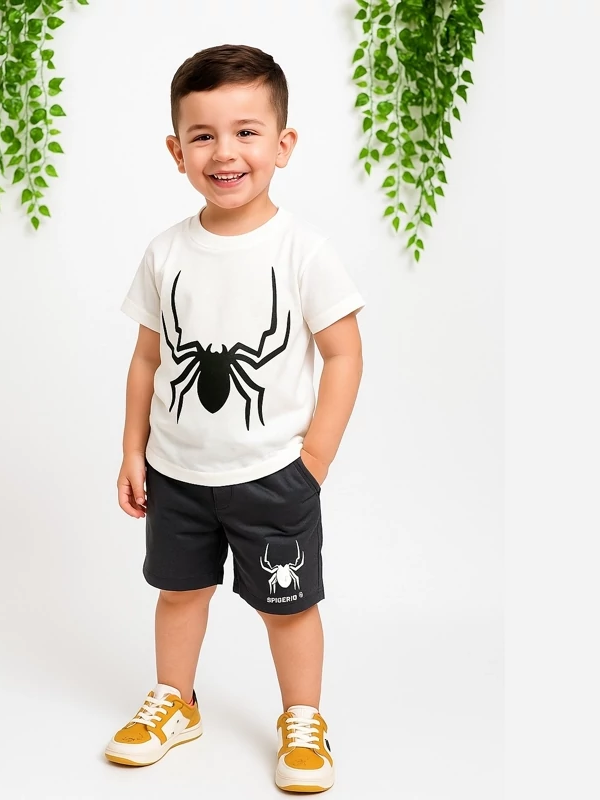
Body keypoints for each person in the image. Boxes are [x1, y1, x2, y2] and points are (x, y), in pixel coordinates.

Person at [103, 43, 364, 793]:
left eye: (247, 132)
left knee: (290, 606)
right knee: (179, 592)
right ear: (176, 151)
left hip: (273, 474)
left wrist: (313, 461)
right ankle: (175, 701)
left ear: (283, 144)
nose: (225, 152)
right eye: (204, 135)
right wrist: (132, 451)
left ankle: (304, 718)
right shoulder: (166, 253)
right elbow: (149, 359)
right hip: (177, 472)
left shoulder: (304, 251)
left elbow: (343, 354)